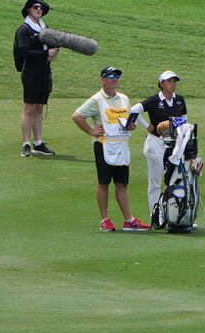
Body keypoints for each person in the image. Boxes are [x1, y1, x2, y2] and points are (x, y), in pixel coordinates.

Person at [72, 67, 152, 231]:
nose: (115, 79)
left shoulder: (124, 98)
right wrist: (91, 131)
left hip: (121, 145)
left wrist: (131, 125)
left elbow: (130, 120)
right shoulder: (96, 100)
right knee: (104, 182)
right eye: (111, 76)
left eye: (117, 76)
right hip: (103, 144)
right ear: (103, 80)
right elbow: (77, 116)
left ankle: (129, 220)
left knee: (122, 183)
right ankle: (104, 220)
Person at [129, 71, 189, 220]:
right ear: (161, 83)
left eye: (174, 81)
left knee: (175, 180)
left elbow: (184, 121)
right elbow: (133, 111)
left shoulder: (179, 100)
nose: (173, 84)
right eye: (169, 81)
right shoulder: (154, 100)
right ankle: (156, 216)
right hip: (156, 143)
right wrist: (147, 126)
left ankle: (176, 215)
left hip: (174, 145)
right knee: (155, 182)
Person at [15, 0, 59, 158]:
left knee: (39, 108)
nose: (39, 9)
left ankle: (38, 143)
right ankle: (26, 144)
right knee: (29, 108)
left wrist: (53, 53)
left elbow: (51, 46)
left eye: (41, 8)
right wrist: (46, 54)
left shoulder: (44, 27)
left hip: (44, 72)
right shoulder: (24, 30)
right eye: (35, 7)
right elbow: (25, 52)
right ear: (28, 9)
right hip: (31, 73)